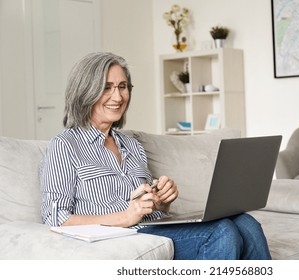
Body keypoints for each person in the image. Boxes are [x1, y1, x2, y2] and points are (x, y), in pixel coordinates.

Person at [40, 52, 271, 260]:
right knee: (222, 232)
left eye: (122, 86)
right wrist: (126, 216)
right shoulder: (65, 145)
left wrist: (162, 202)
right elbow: (55, 218)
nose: (118, 97)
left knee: (246, 223)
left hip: (154, 228)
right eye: (107, 87)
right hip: (122, 237)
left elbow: (151, 209)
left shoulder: (131, 145)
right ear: (85, 92)